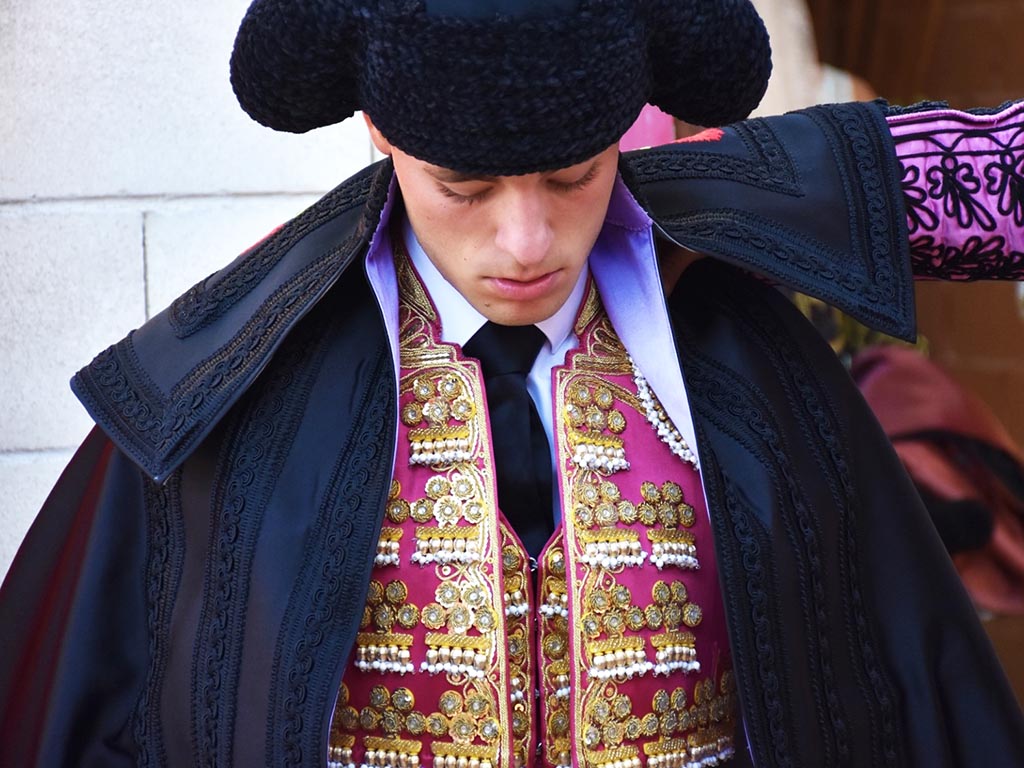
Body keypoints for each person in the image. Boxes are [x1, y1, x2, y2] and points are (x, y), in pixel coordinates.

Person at [1, 1, 1023, 767]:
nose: (525, 241)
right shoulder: (235, 367)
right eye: (463, 186)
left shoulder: (728, 285)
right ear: (380, 134)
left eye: (575, 174)